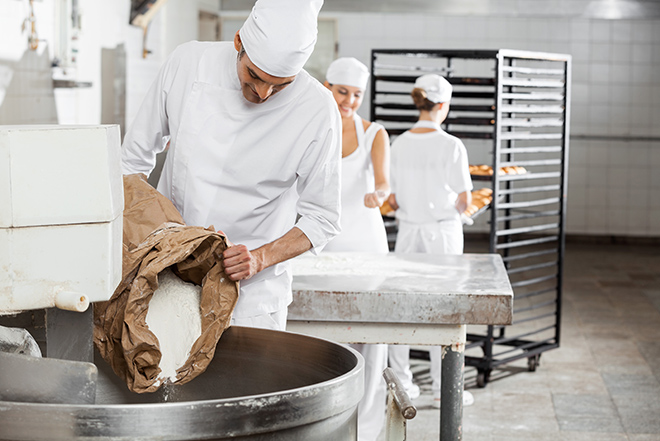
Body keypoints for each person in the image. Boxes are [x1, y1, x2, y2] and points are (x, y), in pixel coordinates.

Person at [121, 0, 342, 331]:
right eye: (253, 75)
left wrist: (260, 258)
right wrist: (152, 241)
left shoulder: (318, 110)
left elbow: (323, 218)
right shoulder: (188, 63)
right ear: (238, 41)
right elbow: (130, 164)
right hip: (166, 280)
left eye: (281, 85)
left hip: (253, 299)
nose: (263, 93)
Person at [387, 74, 474, 408]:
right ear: (443, 105)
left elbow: (391, 200)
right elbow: (465, 199)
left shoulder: (399, 142)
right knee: (445, 309)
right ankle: (444, 388)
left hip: (408, 232)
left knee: (402, 308)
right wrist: (457, 207)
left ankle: (403, 384)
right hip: (442, 235)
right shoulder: (451, 145)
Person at [323, 57, 391, 441]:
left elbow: (384, 183)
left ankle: (365, 429)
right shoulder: (313, 126)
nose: (349, 100)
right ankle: (331, 422)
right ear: (328, 86)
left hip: (365, 242)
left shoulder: (374, 134)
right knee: (328, 333)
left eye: (356, 95)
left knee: (371, 333)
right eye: (342, 92)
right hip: (322, 244)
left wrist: (377, 195)